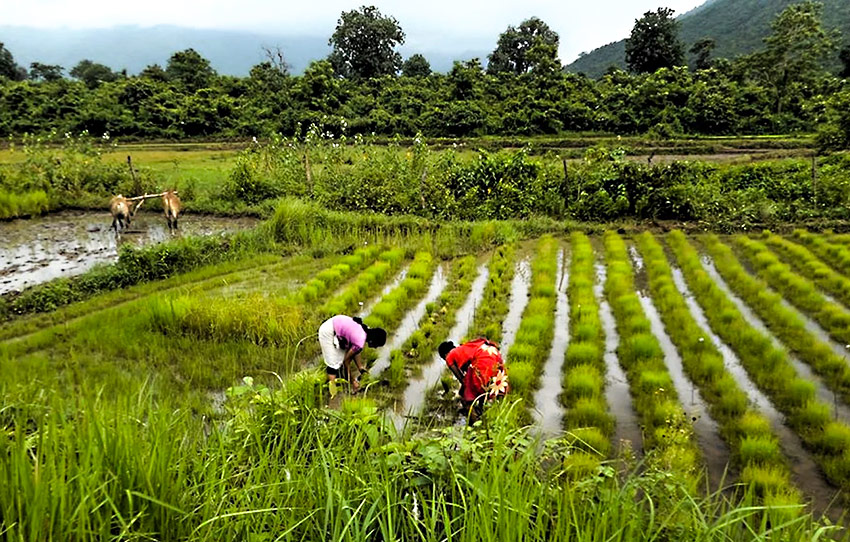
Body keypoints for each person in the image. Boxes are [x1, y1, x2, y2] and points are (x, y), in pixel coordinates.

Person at [438, 337, 509, 420]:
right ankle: (482, 409)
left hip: (483, 361)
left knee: (466, 398)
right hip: (493, 353)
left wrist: (463, 395)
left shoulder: (449, 356)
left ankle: (474, 424)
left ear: (444, 355)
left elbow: (462, 380)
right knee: (483, 387)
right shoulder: (464, 349)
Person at [318, 315, 387, 392]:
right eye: (376, 345)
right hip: (328, 331)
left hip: (336, 326)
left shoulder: (366, 330)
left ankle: (338, 380)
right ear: (373, 341)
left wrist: (360, 367)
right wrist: (353, 381)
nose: (375, 347)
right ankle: (332, 390)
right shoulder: (360, 339)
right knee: (333, 364)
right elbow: (346, 362)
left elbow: (355, 351)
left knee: (340, 359)